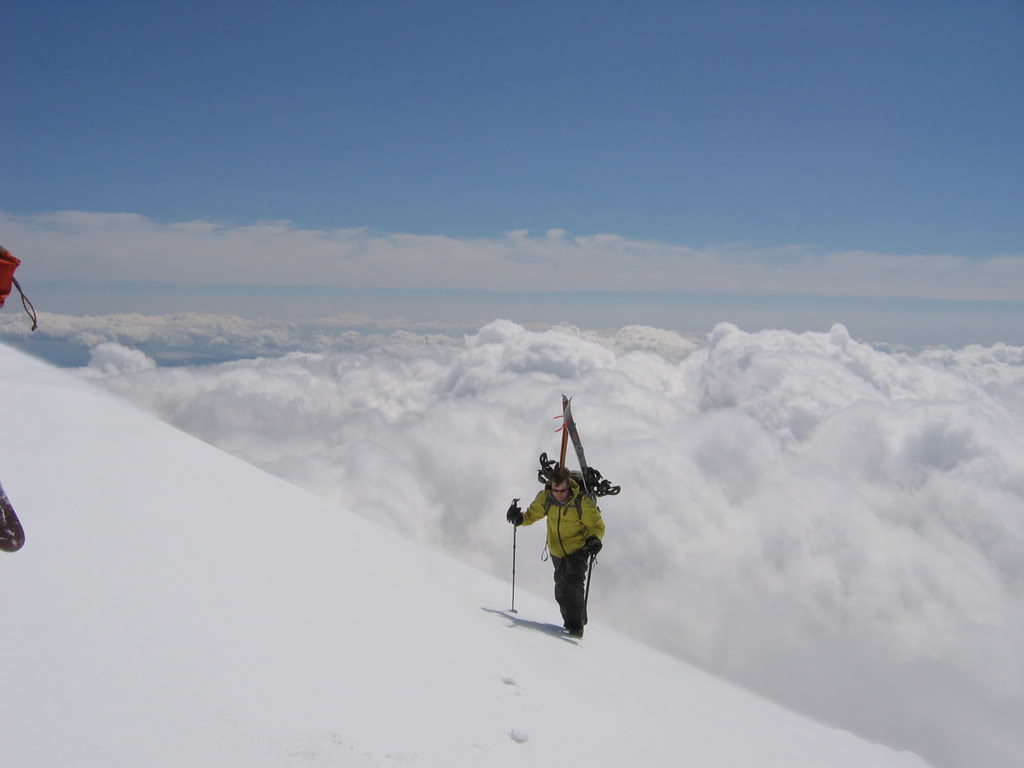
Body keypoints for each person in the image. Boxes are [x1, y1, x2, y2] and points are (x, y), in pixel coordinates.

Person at [507, 466, 605, 637]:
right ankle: (571, 621)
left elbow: (596, 525)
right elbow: (533, 514)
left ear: (569, 486)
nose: (559, 493)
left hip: (578, 550)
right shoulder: (546, 498)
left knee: (573, 585)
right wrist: (519, 518)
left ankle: (576, 628)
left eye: (562, 490)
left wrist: (595, 539)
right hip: (556, 551)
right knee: (561, 589)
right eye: (555, 490)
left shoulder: (581, 501)